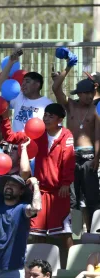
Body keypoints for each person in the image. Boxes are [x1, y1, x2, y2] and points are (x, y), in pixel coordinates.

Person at [0, 103, 75, 251]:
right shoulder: (37, 132)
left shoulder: (67, 135)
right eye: (45, 115)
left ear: (59, 119)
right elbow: (10, 137)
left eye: (50, 116)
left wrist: (66, 183)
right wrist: (5, 119)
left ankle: (67, 267)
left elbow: (69, 161)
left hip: (59, 192)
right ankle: (35, 266)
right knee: (36, 233)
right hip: (39, 191)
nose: (46, 118)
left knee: (63, 233)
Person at [52, 62, 100, 231]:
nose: (90, 96)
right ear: (79, 93)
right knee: (73, 198)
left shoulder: (95, 109)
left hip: (89, 157)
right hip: (71, 156)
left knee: (92, 197)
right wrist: (68, 68)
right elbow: (56, 88)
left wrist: (97, 158)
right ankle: (76, 233)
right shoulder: (70, 106)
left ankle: (94, 232)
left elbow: (98, 135)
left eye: (92, 92)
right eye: (87, 93)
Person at [0, 49, 53, 132]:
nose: (23, 84)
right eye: (23, 81)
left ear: (37, 85)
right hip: (16, 143)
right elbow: (0, 84)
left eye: (27, 81)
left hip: (35, 144)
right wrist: (10, 62)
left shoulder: (48, 104)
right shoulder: (18, 96)